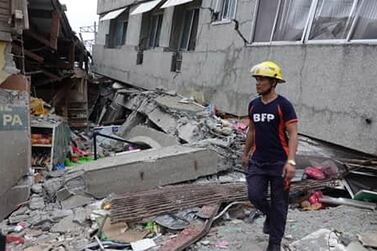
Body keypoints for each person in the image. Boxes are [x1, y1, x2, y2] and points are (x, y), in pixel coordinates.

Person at [242, 61, 298, 251]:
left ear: (273, 82)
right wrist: (245, 153)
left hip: (279, 164)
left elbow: (293, 134)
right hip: (258, 161)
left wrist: (291, 161)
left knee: (280, 203)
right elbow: (251, 131)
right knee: (255, 195)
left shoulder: (284, 106)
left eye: (262, 79)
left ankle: (274, 243)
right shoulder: (254, 105)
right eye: (256, 79)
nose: (258, 83)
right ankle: (269, 215)